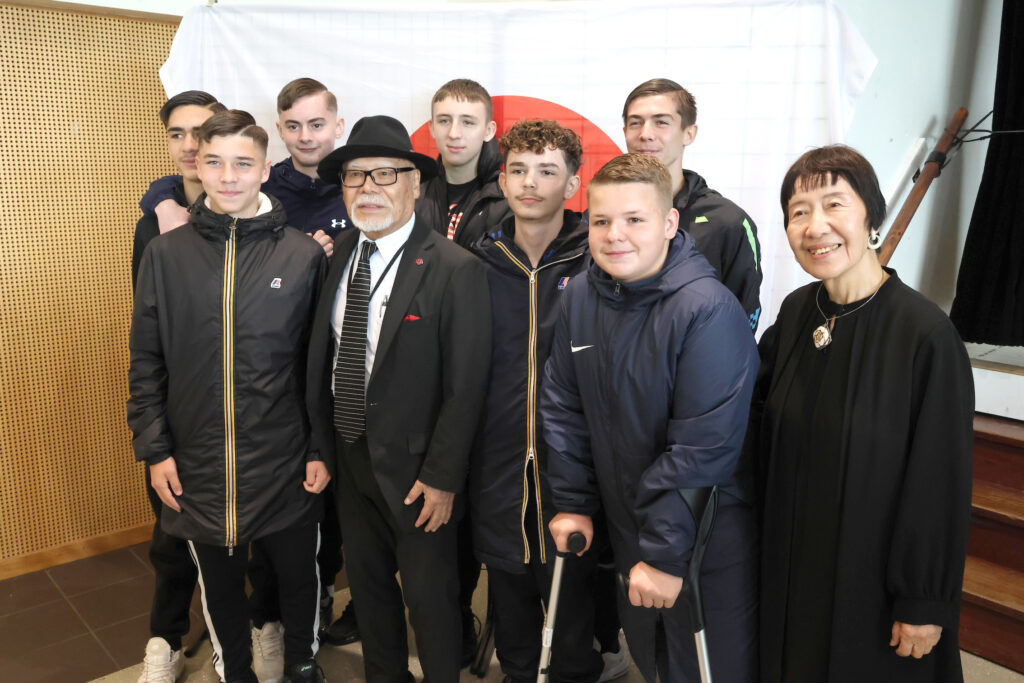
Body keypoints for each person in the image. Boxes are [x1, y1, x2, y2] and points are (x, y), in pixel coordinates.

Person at [752, 144, 974, 683]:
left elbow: (938, 482)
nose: (815, 226)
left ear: (870, 214)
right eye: (798, 211)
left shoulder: (925, 335)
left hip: (872, 590)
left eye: (834, 204)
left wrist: (923, 600)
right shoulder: (797, 313)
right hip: (790, 574)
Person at [128, 109, 329, 683]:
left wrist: (319, 448)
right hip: (197, 461)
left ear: (265, 169)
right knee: (218, 586)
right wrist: (156, 450)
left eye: (243, 163)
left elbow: (316, 367)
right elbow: (146, 359)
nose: (229, 176)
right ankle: (235, 670)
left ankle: (301, 667)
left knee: (296, 580)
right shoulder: (167, 255)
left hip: (286, 456)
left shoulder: (301, 255)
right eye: (215, 162)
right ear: (200, 166)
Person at [542, 153, 760, 683]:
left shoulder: (706, 310)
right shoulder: (581, 299)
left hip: (702, 534)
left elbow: (701, 449)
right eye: (601, 221)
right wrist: (573, 502)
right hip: (629, 520)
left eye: (634, 220)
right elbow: (564, 408)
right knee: (652, 656)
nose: (615, 235)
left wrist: (664, 556)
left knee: (704, 667)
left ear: (668, 223)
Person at [306, 115, 491, 682]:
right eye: (355, 177)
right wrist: (320, 444)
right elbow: (322, 359)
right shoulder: (336, 256)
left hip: (418, 469)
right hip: (349, 451)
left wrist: (442, 476)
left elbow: (468, 385)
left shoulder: (455, 268)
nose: (368, 189)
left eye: (385, 175)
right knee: (367, 590)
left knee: (431, 602)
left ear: (416, 184)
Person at [471, 119, 603, 683]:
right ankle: (519, 671)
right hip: (497, 456)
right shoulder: (475, 261)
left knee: (571, 593)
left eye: (547, 171)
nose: (531, 183)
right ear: (502, 181)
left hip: (572, 458)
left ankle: (576, 669)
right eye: (519, 170)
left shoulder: (596, 259)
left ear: (572, 184)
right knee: (509, 585)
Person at [130, 89, 225, 683]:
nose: (190, 145)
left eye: (202, 133)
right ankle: (164, 638)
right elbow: (148, 330)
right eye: (178, 134)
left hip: (244, 412)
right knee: (171, 535)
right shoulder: (153, 223)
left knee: (246, 544)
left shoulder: (260, 216)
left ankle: (230, 635)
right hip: (176, 407)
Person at [140, 78, 350, 255]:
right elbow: (190, 185)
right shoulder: (261, 185)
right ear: (280, 129)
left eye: (316, 125)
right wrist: (163, 202)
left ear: (339, 126)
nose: (305, 137)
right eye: (293, 126)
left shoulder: (356, 186)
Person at [622, 78, 762, 330]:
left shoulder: (726, 221)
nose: (645, 134)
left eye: (661, 122)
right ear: (625, 133)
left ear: (689, 133)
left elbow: (743, 318)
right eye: (635, 123)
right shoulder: (603, 218)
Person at [416, 78, 512, 248]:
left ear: (488, 131)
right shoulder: (413, 195)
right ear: (432, 128)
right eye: (444, 121)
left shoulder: (508, 200)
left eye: (467, 122)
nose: (454, 133)